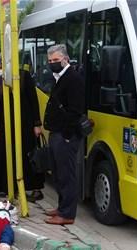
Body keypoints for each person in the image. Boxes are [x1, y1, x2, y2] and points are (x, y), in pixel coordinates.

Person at [43, 44, 85, 225]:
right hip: (57, 132)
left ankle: (67, 214)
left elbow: (76, 110)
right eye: (50, 61)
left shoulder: (73, 78)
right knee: (59, 173)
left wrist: (67, 135)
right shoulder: (59, 77)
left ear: (65, 59)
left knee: (67, 174)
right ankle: (61, 207)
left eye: (56, 60)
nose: (53, 63)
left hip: (65, 135)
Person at [0, 63, 45, 201]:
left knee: (28, 155)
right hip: (6, 125)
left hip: (25, 124)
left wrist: (37, 124)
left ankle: (34, 188)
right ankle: (10, 187)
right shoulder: (0, 81)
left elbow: (33, 100)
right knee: (8, 155)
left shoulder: (24, 77)